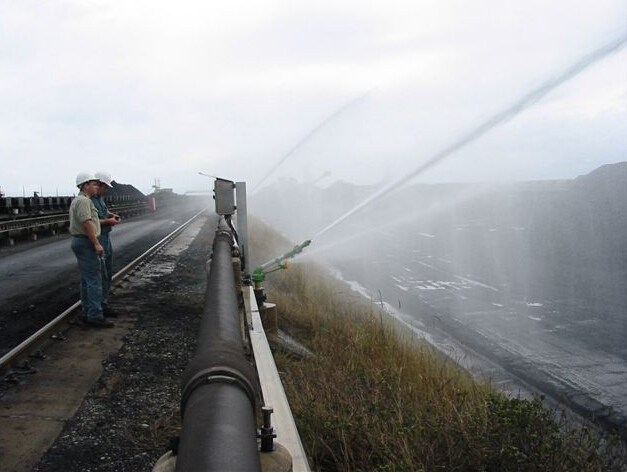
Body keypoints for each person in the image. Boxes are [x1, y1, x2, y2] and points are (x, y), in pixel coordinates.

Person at [69, 172, 113, 328]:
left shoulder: (80, 200)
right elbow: (87, 224)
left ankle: (87, 312)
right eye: (94, 184)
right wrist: (96, 244)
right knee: (95, 279)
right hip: (86, 242)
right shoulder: (84, 202)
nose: (96, 186)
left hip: (81, 241)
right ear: (85, 185)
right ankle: (95, 315)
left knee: (87, 279)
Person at [92, 171, 121, 317]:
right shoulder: (89, 200)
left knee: (107, 272)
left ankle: (103, 303)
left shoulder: (100, 199)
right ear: (99, 184)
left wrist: (110, 215)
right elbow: (90, 222)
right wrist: (108, 221)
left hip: (106, 237)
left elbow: (102, 211)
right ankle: (98, 307)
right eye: (105, 187)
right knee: (100, 274)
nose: (107, 190)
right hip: (99, 238)